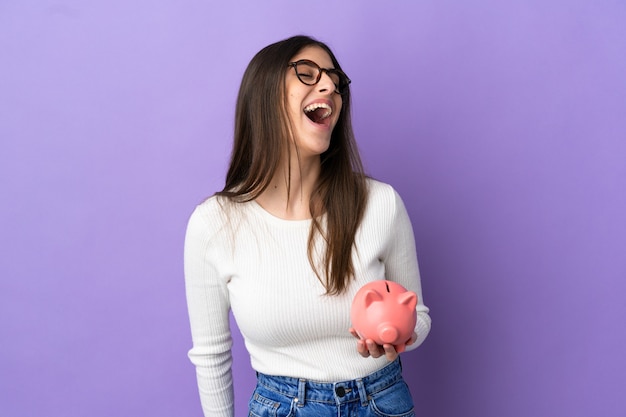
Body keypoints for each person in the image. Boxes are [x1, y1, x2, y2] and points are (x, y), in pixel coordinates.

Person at [184, 35, 431, 417]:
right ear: (264, 93)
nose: (330, 85)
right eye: (308, 73)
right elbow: (211, 355)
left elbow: (421, 314)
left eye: (335, 79)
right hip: (284, 406)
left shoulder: (381, 204)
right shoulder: (215, 223)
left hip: (382, 401)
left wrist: (402, 335)